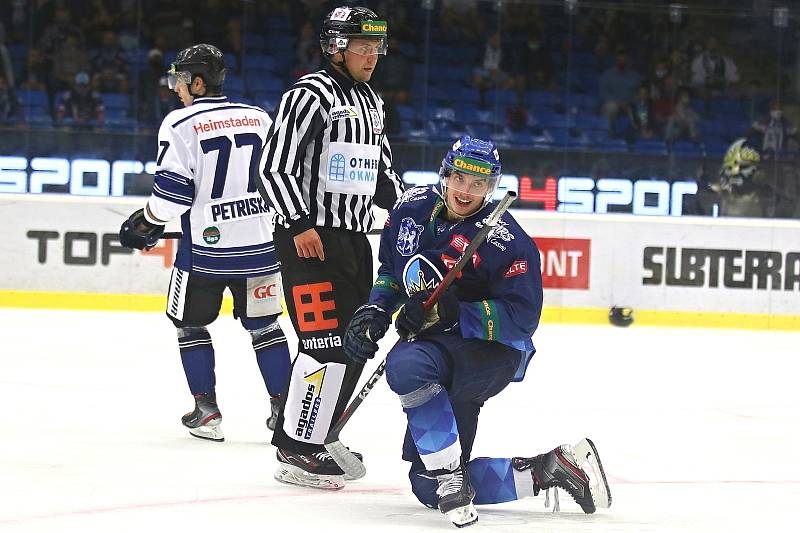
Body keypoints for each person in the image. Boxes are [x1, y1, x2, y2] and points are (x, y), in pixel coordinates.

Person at [342, 136, 611, 527]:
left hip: (490, 353)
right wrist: (376, 309)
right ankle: (550, 469)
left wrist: (458, 313)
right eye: (460, 178)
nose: (466, 191)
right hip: (439, 346)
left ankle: (451, 477)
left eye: (479, 184)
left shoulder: (507, 241)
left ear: (492, 187)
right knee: (424, 484)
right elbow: (391, 270)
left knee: (406, 366)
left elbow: (524, 315)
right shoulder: (409, 209)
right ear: (445, 174)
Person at [256, 6, 403, 489]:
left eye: (376, 46)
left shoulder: (372, 103)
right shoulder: (308, 94)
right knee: (321, 344)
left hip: (356, 242)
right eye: (362, 45)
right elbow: (274, 166)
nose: (372, 55)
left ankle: (317, 434)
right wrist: (299, 224)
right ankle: (295, 448)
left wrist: (412, 213)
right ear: (336, 46)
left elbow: (382, 175)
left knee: (355, 341)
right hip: (310, 242)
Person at [118, 44, 291, 442]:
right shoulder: (259, 117)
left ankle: (207, 411)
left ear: (197, 81)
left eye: (180, 80)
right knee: (266, 328)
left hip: (205, 254)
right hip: (262, 247)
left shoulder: (179, 124)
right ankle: (282, 411)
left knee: (189, 326)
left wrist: (147, 222)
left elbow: (171, 195)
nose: (176, 88)